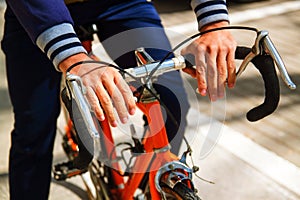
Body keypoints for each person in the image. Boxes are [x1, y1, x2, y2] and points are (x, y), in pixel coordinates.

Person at [1, 0, 236, 199]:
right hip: (40, 9)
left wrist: (213, 20)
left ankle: (148, 184)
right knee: (34, 130)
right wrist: (72, 57)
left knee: (170, 103)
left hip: (121, 3)